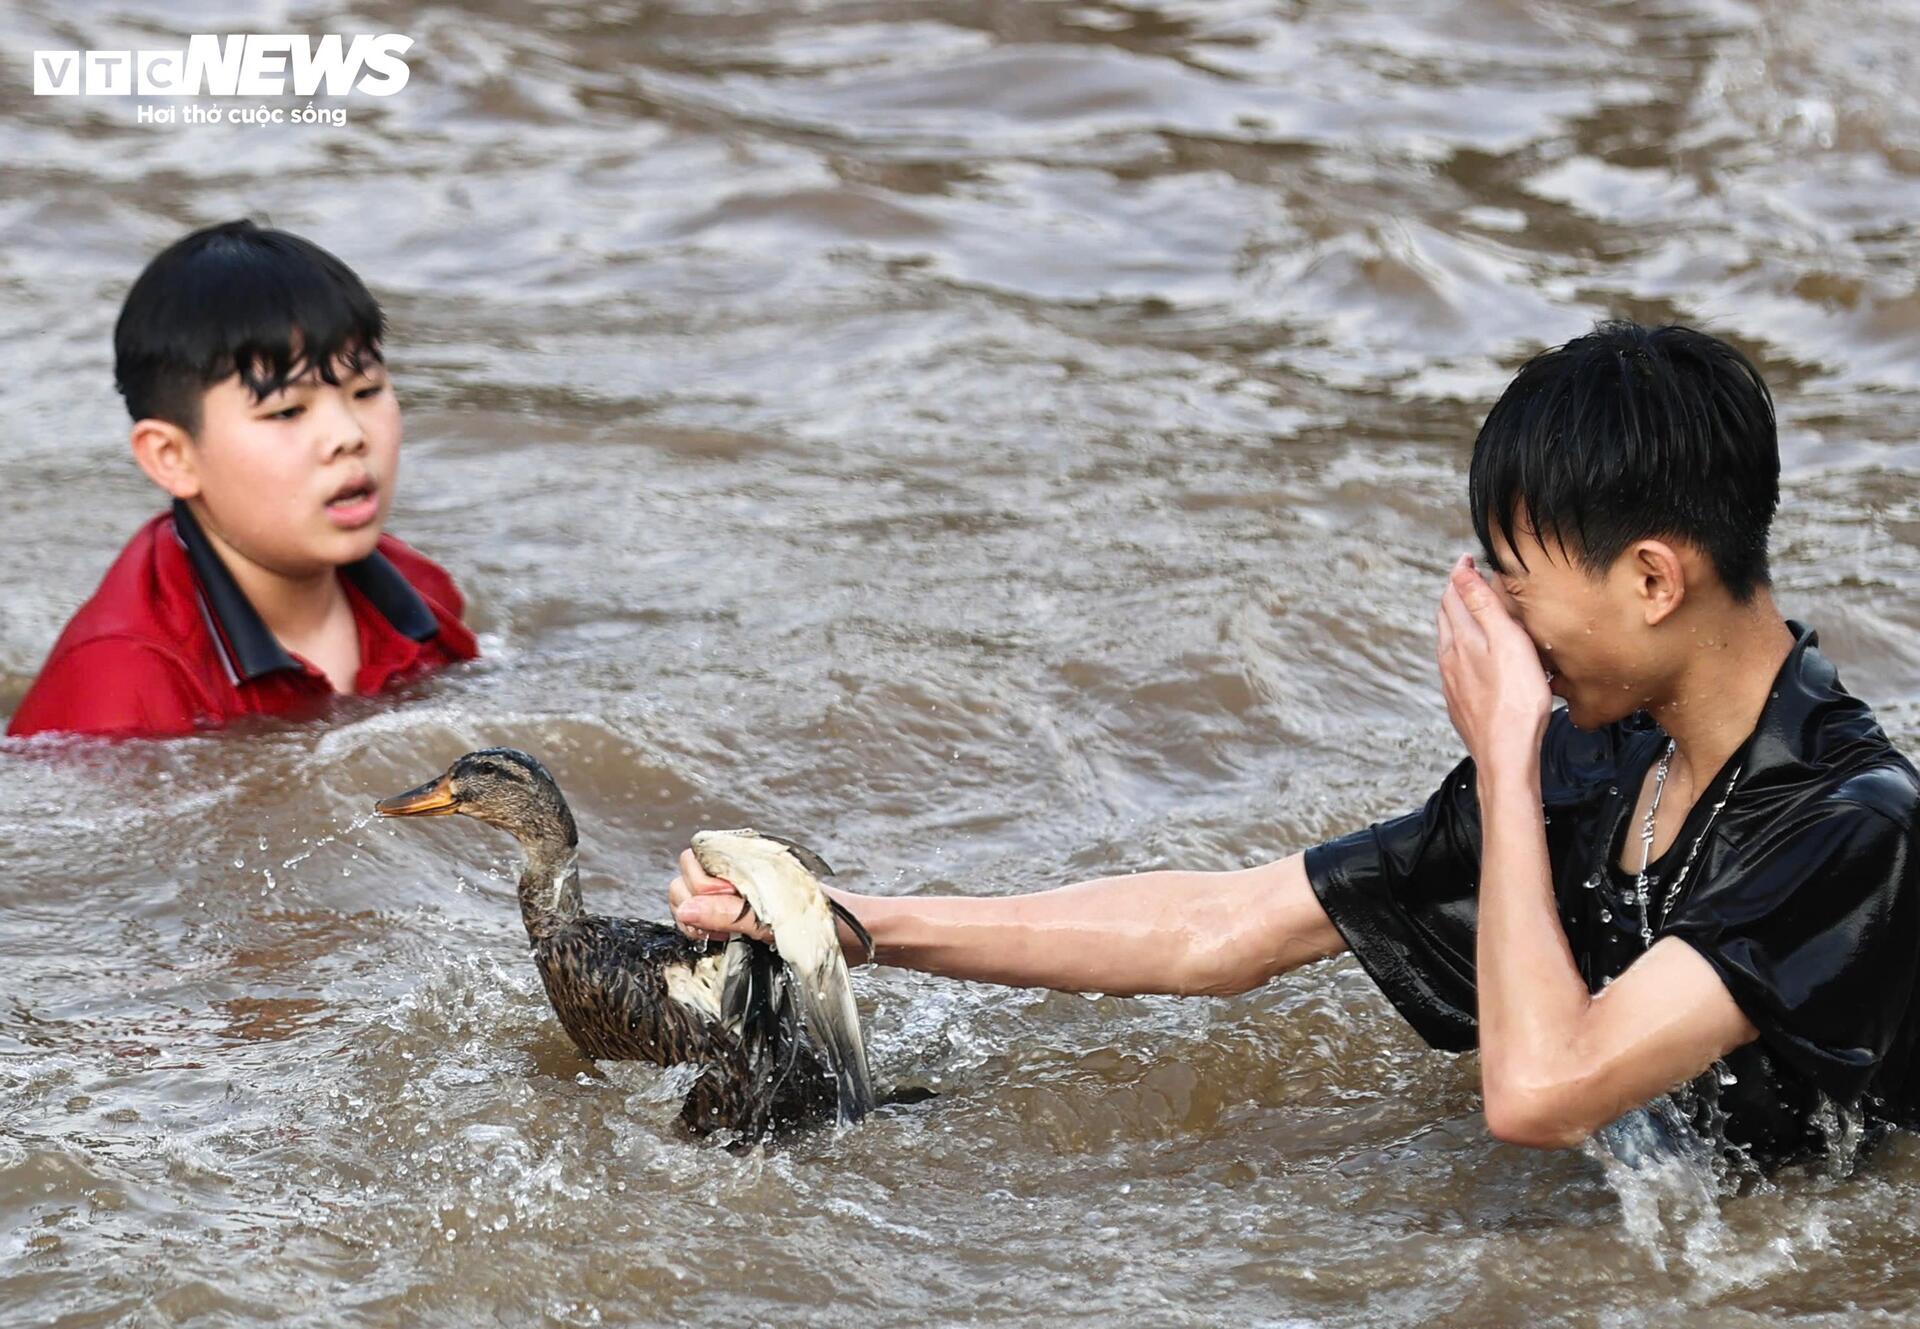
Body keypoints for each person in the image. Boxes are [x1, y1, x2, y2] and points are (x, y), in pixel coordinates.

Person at [670, 321, 1919, 1169]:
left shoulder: (1851, 826)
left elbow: (1541, 1092)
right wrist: (851, 923)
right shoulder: (1606, 760)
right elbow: (1228, 927)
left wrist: (1502, 752)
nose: (1499, 630)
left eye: (1517, 587)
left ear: (1652, 579)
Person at [7, 220, 477, 740]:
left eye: (365, 392)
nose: (348, 436)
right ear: (173, 457)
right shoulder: (121, 698)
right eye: (287, 411)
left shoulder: (423, 594)